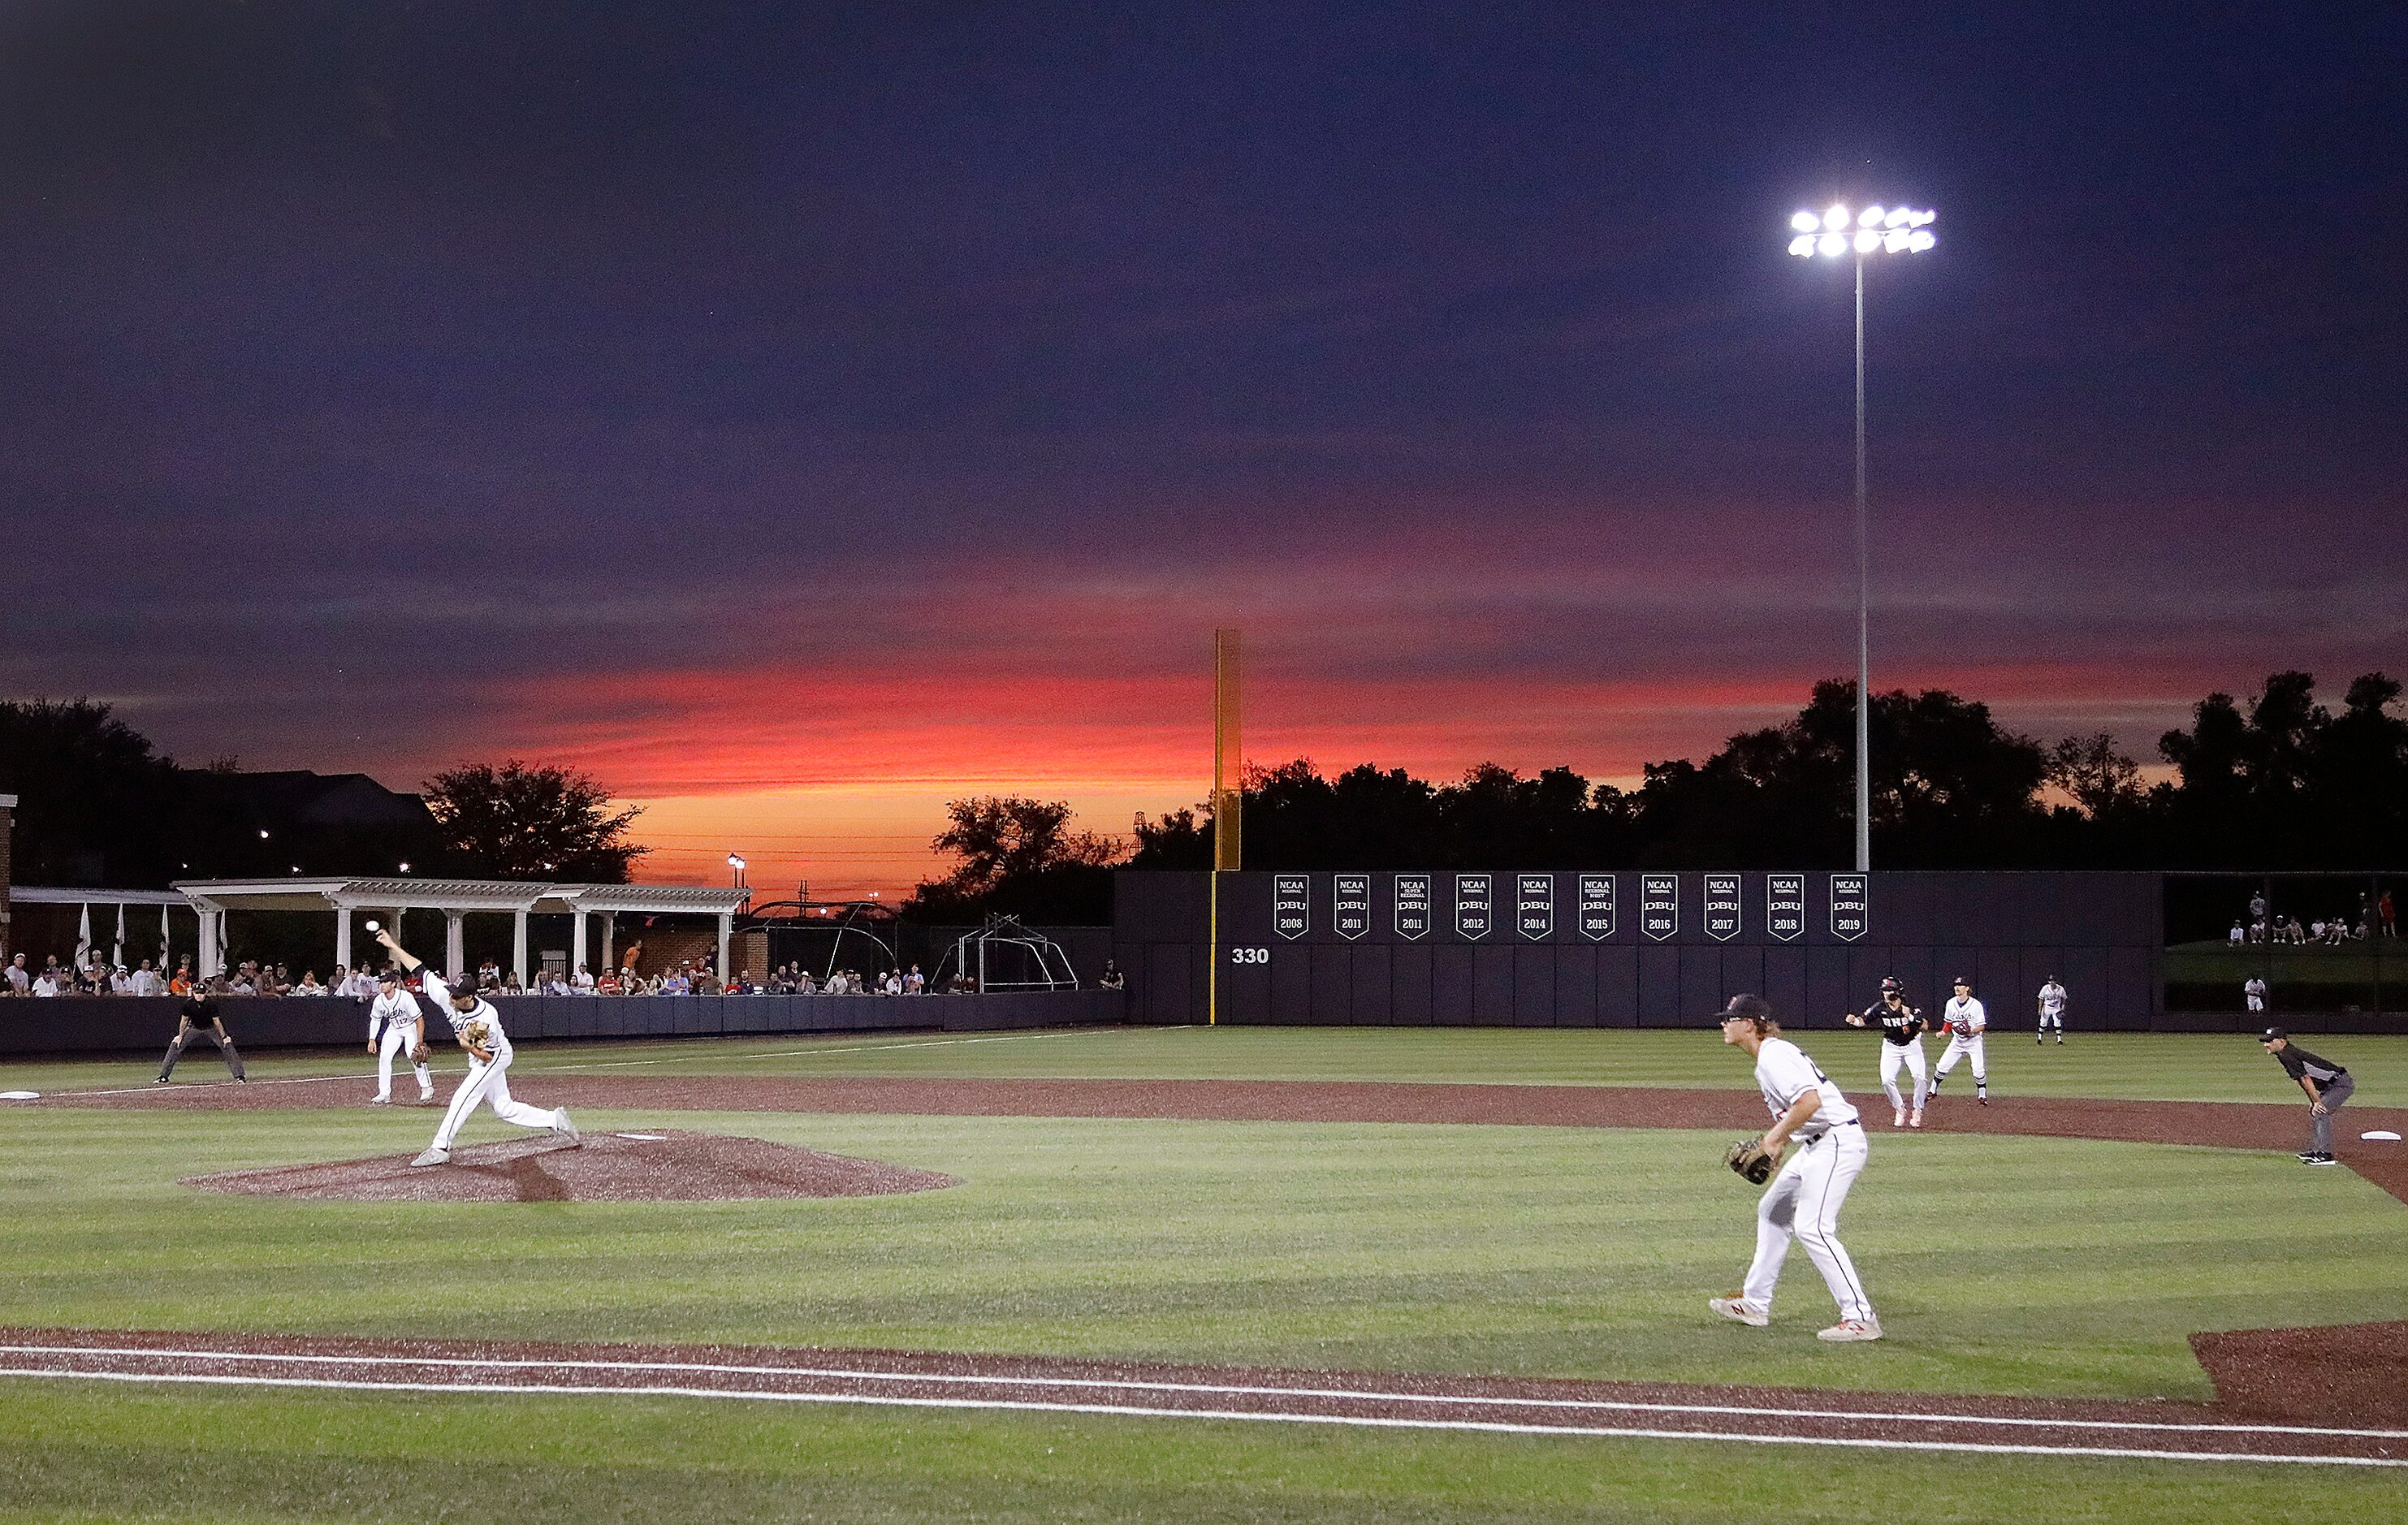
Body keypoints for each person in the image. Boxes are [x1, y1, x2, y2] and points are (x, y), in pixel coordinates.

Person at [1707, 994, 1879, 1342]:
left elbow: (1811, 1102)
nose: (1724, 1023)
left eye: (1730, 1018)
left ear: (1751, 1023)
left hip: (1837, 1143)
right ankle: (1755, 1304)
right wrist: (1781, 1146)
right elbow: (1799, 1114)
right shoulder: (1769, 1057)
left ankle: (1860, 1317)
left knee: (1813, 1228)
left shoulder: (1774, 1055)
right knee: (1772, 1211)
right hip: (1817, 1143)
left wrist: (1771, 1139)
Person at [371, 927, 577, 1167]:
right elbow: (419, 968)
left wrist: (465, 1044)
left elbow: (485, 1057)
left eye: (456, 996)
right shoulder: (448, 994)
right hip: (480, 1054)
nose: (450, 998)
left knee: (464, 1096)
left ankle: (440, 1146)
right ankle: (555, 1119)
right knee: (503, 1109)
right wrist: (393, 946)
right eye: (451, 993)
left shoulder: (485, 1016)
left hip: (495, 1056)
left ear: (469, 997)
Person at [1841, 976, 1927, 1129]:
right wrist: (1854, 1021)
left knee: (1919, 1077)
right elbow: (1863, 1020)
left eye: (1889, 990)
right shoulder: (1880, 1007)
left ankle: (1917, 1110)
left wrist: (1911, 1017)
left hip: (1912, 1045)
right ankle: (1899, 1109)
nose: (1886, 994)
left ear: (1897, 992)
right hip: (1891, 1046)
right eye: (1884, 990)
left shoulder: (1909, 1007)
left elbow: (1925, 1026)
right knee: (1887, 1080)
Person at [2259, 1028, 2352, 1166]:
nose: (2266, 1044)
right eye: (2265, 1041)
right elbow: (2302, 1081)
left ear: (2282, 1041)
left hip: (2340, 1084)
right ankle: (2317, 1150)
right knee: (2315, 1110)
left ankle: (2325, 1155)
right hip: (2332, 1085)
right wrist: (2313, 1101)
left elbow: (2305, 1079)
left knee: (2321, 1111)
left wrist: (2317, 1102)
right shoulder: (2284, 1053)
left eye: (2270, 1041)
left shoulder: (2287, 1055)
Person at [367, 970, 434, 1105]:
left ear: (393, 984)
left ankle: (427, 1087)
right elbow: (375, 1020)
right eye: (380, 982)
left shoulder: (405, 997)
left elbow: (419, 1020)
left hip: (410, 1027)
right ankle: (384, 1093)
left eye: (385, 982)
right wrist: (372, 1039)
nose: (382, 985)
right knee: (385, 1057)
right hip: (394, 1028)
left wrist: (419, 1042)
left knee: (414, 1055)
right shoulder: (379, 1001)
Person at [154, 992, 247, 1083]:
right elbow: (184, 1021)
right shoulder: (188, 1004)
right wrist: (180, 1036)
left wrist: (224, 1037)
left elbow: (217, 1022)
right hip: (194, 1027)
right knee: (176, 1045)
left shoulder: (210, 1003)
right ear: (193, 993)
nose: (199, 995)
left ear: (206, 993)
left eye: (202, 993)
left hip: (210, 1027)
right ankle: (163, 1076)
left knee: (227, 1045)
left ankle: (240, 1076)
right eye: (197, 993)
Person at [1930, 976, 1990, 1105]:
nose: (1957, 988)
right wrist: (1943, 1032)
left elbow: (1982, 1026)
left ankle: (1982, 1095)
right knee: (1942, 1066)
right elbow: (1948, 1023)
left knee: (1978, 1070)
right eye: (1956, 985)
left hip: (1974, 1041)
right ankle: (1932, 1091)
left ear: (1967, 988)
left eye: (1961, 985)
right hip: (1957, 1041)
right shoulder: (1950, 1003)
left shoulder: (1976, 1005)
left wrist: (1970, 1031)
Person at [2035, 974, 2068, 1043]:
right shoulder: (2045, 988)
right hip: (2047, 1007)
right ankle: (2039, 1039)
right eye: (2051, 980)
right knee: (2043, 1023)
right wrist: (2040, 1009)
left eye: (2053, 980)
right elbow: (2041, 999)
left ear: (2056, 981)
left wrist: (2062, 1008)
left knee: (2057, 1023)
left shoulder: (2061, 989)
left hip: (2056, 1008)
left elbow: (2064, 999)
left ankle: (2059, 1040)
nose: (2052, 982)